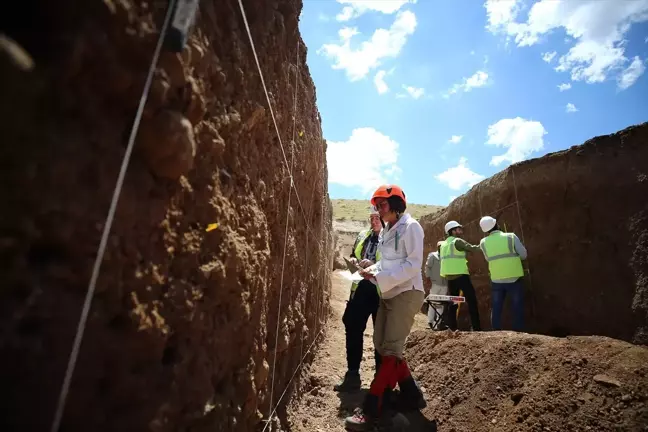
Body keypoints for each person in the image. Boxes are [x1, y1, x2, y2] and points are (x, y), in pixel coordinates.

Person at [345, 185, 426, 431]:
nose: (379, 210)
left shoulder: (411, 227)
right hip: (388, 292)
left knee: (390, 350)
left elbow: (412, 265)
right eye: (377, 206)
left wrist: (381, 277)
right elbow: (387, 262)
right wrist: (372, 271)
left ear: (396, 204)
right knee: (381, 345)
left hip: (406, 292)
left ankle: (372, 410)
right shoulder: (387, 230)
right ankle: (412, 395)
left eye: (382, 205)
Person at [334, 210, 384, 392]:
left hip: (381, 291)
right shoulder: (363, 235)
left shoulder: (392, 238)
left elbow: (394, 262)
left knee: (382, 336)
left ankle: (381, 381)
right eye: (371, 218)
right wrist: (355, 260)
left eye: (377, 217)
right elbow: (354, 253)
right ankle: (353, 375)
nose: (374, 220)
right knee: (353, 327)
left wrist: (374, 265)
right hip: (361, 287)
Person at [479, 216, 528, 331]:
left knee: (496, 307)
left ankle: (496, 332)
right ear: (496, 225)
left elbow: (488, 259)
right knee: (517, 306)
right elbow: (524, 255)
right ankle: (519, 333)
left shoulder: (483, 242)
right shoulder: (511, 236)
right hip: (514, 278)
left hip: (496, 279)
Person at [439, 221, 482, 331]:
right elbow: (473, 248)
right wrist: (484, 243)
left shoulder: (443, 244)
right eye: (458, 229)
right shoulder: (457, 241)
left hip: (449, 277)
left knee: (453, 302)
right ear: (453, 231)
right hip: (461, 276)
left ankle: (452, 327)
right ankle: (476, 328)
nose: (461, 231)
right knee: (471, 300)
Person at [425, 241, 448, 330]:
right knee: (432, 302)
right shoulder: (433, 256)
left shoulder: (446, 257)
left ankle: (439, 322)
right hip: (435, 283)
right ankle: (430, 321)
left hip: (444, 283)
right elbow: (427, 267)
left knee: (441, 304)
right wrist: (428, 278)